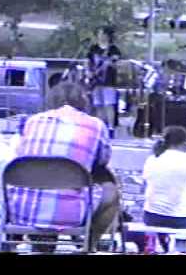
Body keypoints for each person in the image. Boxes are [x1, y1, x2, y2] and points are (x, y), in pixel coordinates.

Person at [11, 82, 120, 252]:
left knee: (42, 182)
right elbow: (102, 162)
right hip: (70, 216)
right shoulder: (96, 125)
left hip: (20, 212)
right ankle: (89, 245)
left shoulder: (32, 121)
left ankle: (42, 248)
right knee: (111, 189)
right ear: (84, 101)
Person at [142, 126, 186, 253]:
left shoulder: (152, 159)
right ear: (184, 142)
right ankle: (183, 247)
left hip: (152, 215)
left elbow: (144, 188)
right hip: (181, 218)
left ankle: (164, 247)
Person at [87, 25, 122, 138]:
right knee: (98, 104)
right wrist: (89, 72)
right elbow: (88, 61)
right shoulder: (93, 48)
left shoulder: (113, 49)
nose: (100, 36)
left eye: (102, 34)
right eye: (99, 34)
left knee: (109, 104)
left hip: (109, 80)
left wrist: (110, 63)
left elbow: (117, 64)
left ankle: (111, 128)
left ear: (107, 35)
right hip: (95, 80)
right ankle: (100, 127)